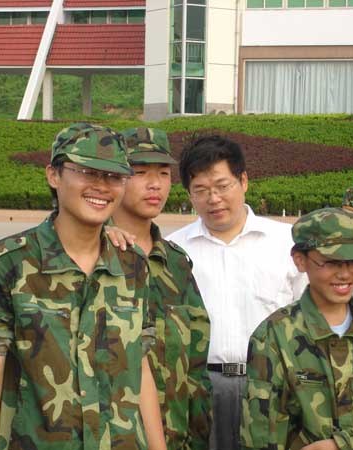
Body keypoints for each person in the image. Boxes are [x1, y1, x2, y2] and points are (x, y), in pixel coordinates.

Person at [0, 123, 166, 450]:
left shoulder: (133, 264)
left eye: (114, 176)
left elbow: (140, 369)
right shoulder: (6, 263)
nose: (101, 186)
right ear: (54, 175)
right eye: (87, 172)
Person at [241, 207, 353, 450]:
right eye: (331, 262)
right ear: (300, 260)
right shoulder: (273, 335)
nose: (345, 274)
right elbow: (261, 431)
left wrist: (343, 445)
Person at [166, 135, 307, 450]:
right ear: (189, 194)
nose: (213, 199)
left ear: (243, 181)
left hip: (273, 388)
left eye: (222, 186)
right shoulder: (173, 251)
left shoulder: (287, 243)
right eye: (201, 190)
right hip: (201, 389)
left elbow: (311, 317)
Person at [111, 127, 212, 449]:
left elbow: (195, 364)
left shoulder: (175, 263)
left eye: (164, 174)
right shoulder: (90, 255)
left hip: (176, 436)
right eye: (140, 172)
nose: (155, 184)